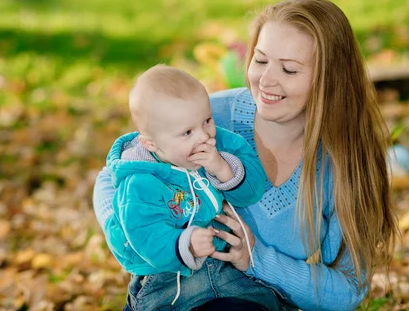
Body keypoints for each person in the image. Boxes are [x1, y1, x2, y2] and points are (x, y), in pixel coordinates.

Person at [94, 0, 399, 311]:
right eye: (261, 60)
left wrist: (255, 259)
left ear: (329, 80)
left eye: (289, 70)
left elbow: (347, 290)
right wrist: (128, 229)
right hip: (174, 293)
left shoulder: (344, 165)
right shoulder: (211, 118)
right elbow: (118, 172)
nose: (266, 81)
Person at [101, 65, 282, 310]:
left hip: (223, 265)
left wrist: (223, 169)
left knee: (260, 303)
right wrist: (185, 244)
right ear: (151, 143)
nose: (203, 137)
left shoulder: (220, 144)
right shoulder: (139, 181)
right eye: (187, 132)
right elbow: (143, 234)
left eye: (207, 120)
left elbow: (253, 190)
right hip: (167, 279)